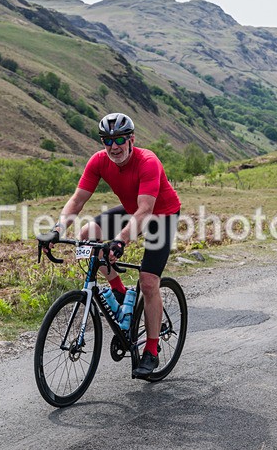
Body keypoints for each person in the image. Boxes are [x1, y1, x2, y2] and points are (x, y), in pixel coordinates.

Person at [37, 112, 181, 378]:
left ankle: (151, 350)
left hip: (161, 215)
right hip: (133, 210)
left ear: (131, 139)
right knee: (86, 234)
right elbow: (77, 201)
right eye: (107, 141)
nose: (114, 146)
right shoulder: (99, 161)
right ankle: (119, 290)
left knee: (149, 282)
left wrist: (120, 241)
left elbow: (145, 210)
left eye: (120, 140)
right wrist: (56, 230)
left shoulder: (148, 161)